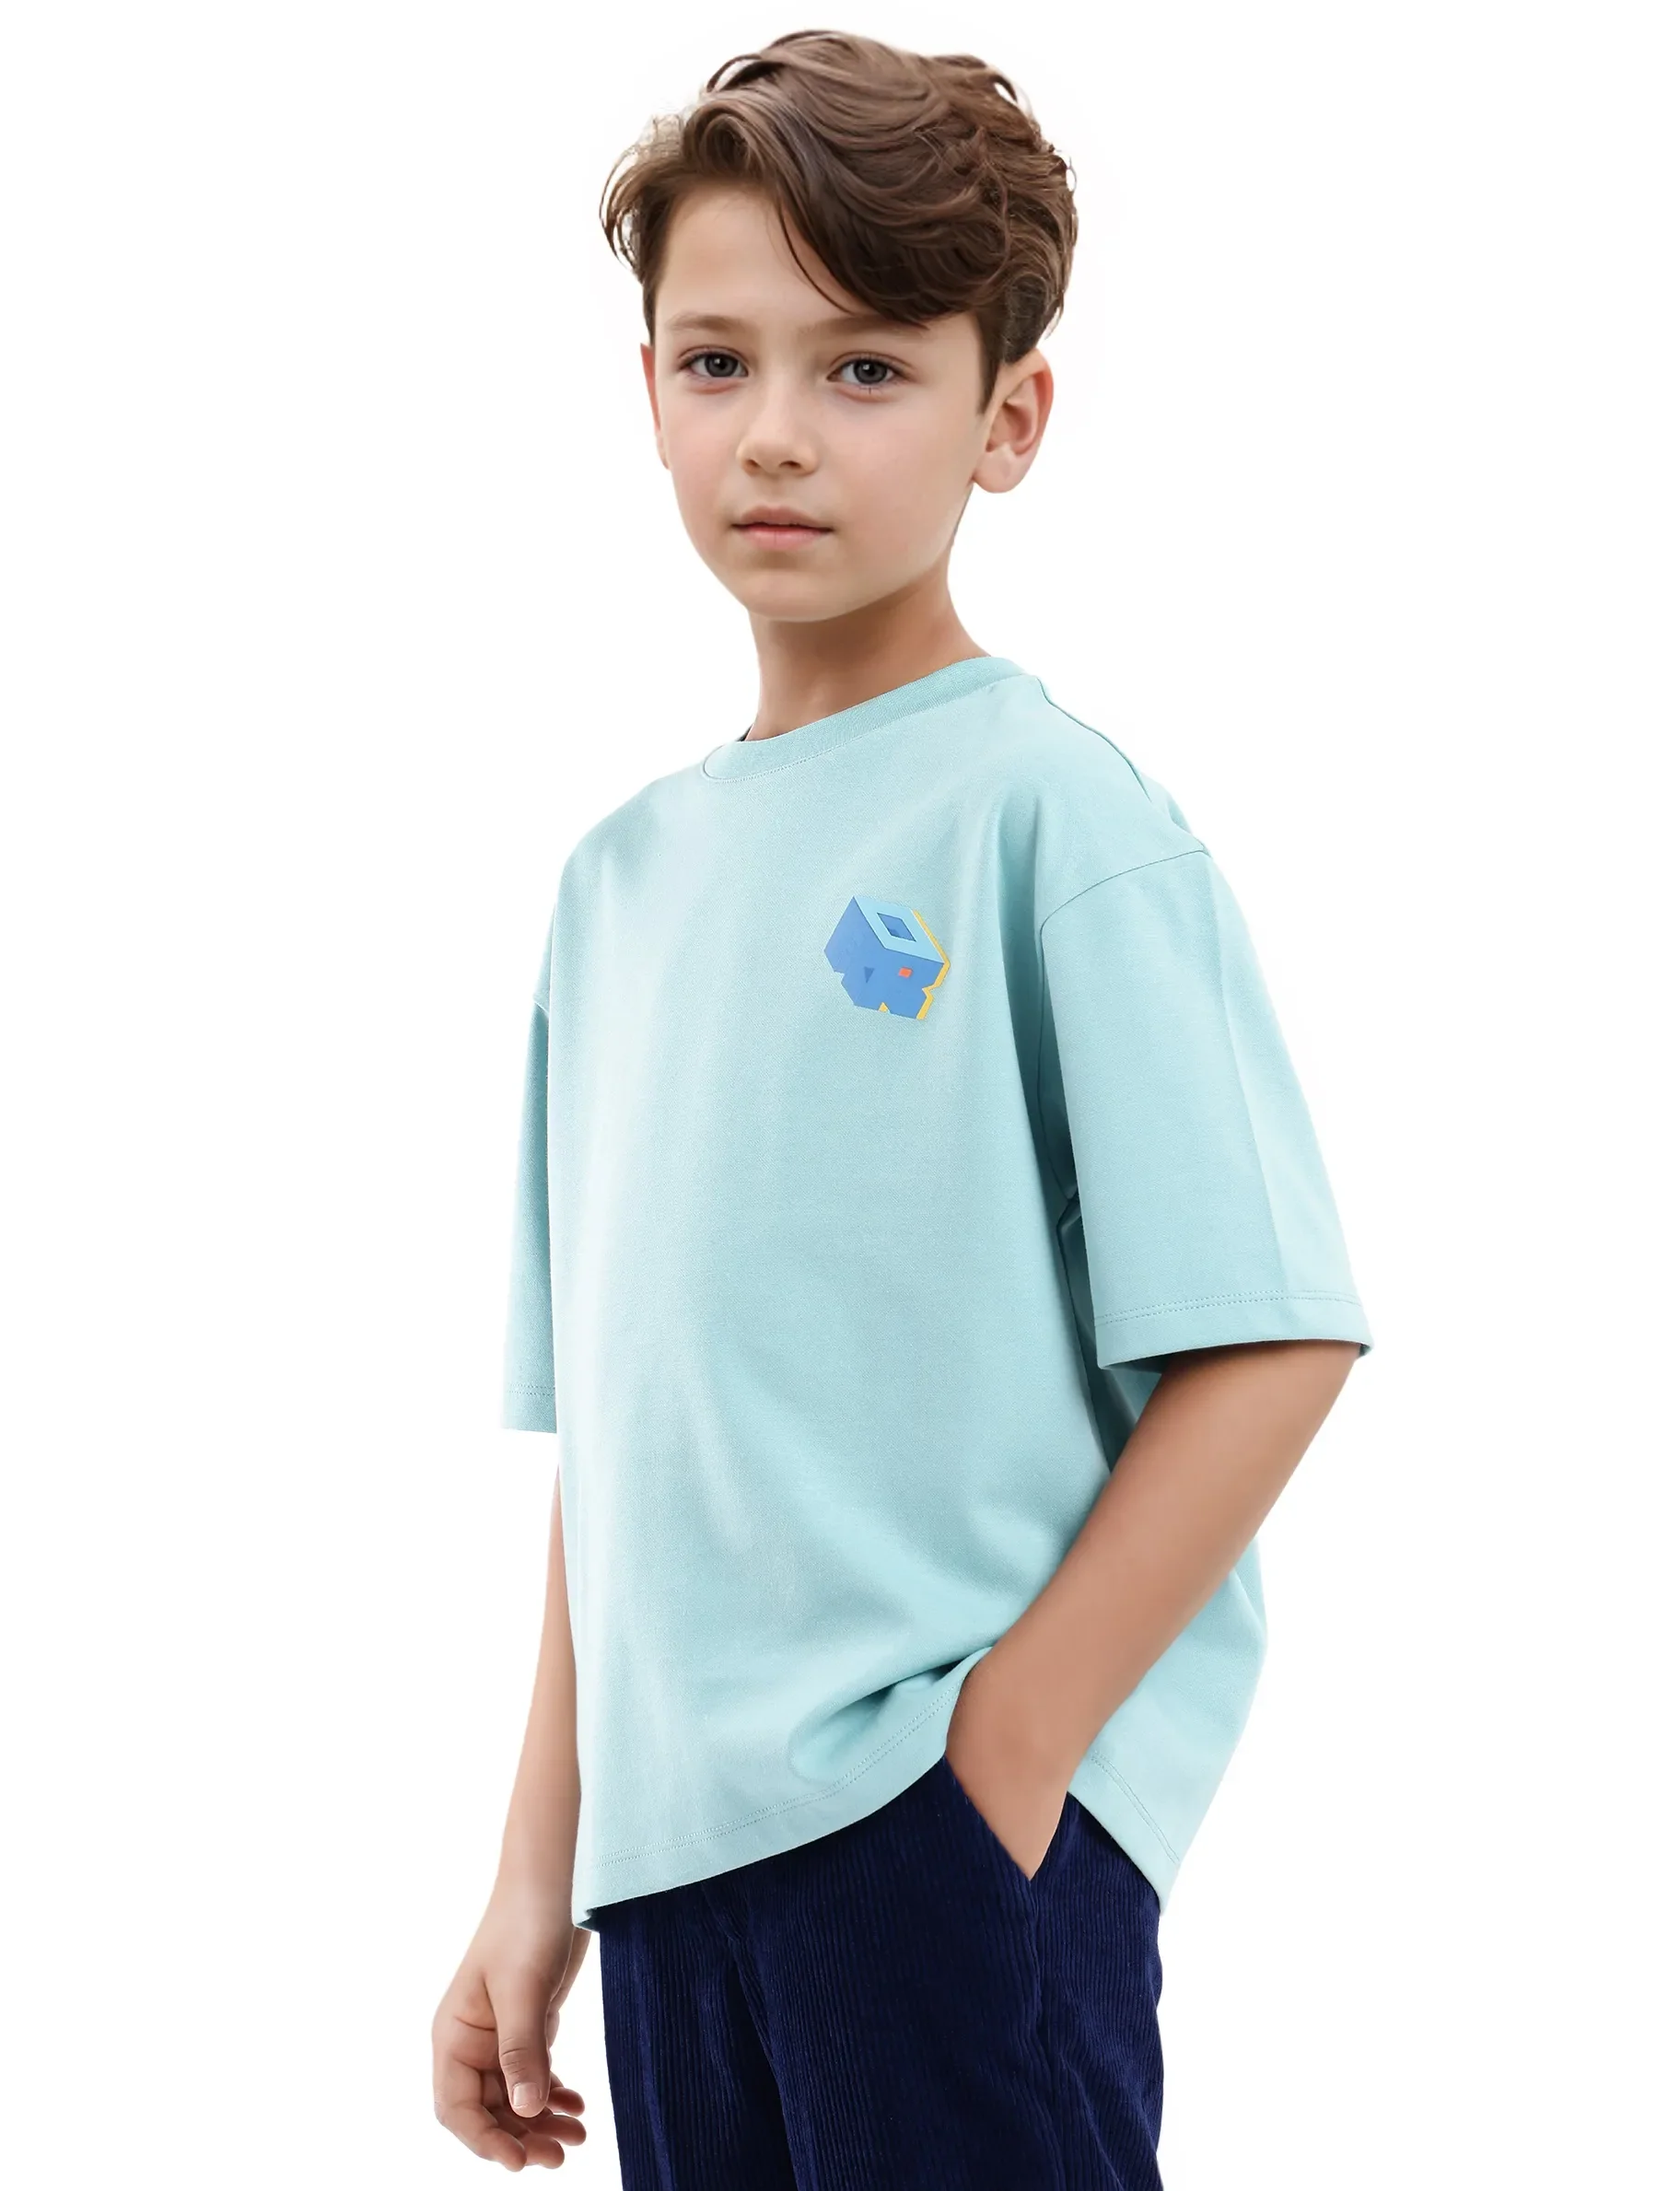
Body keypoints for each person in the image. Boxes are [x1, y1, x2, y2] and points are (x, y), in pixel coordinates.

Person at [433, 29, 1374, 2186]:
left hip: (933, 1851)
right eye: (717, 362)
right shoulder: (615, 889)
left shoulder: (1048, 818)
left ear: (1006, 417)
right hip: (674, 1888)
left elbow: (1273, 1334)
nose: (776, 431)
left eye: (865, 368)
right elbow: (624, 1442)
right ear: (649, 388)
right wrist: (534, 1876)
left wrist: (1005, 1756)